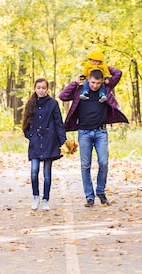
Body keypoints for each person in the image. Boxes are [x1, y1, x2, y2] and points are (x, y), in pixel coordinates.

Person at [59, 65, 128, 207]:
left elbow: (118, 73)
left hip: (101, 132)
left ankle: (100, 191)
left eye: (98, 83)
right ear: (88, 80)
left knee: (103, 162)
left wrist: (100, 65)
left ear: (102, 81)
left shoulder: (106, 90)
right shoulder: (80, 90)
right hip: (84, 133)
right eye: (92, 82)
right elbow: (63, 96)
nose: (95, 86)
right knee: (85, 166)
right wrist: (75, 82)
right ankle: (89, 196)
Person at [22, 78, 67, 211]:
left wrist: (63, 141)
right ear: (35, 88)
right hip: (35, 142)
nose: (41, 90)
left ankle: (45, 199)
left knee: (47, 173)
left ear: (47, 89)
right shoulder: (31, 103)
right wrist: (31, 136)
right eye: (38, 88)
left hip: (49, 142)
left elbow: (59, 123)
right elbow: (25, 123)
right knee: (34, 170)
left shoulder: (53, 104)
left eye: (43, 88)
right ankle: (35, 196)